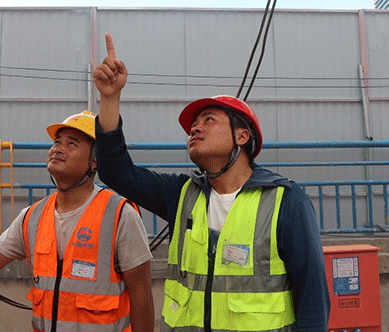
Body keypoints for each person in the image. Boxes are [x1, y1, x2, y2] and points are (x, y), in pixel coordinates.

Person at [93, 34, 330, 332]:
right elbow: (115, 172)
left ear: (242, 136)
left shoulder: (285, 200)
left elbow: (312, 299)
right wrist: (110, 98)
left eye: (208, 120)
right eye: (194, 125)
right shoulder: (181, 195)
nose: (195, 128)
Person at [0, 110, 154, 332]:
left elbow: (142, 295)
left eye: (72, 144)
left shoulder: (120, 215)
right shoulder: (32, 218)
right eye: (57, 142)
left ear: (94, 161)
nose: (58, 148)